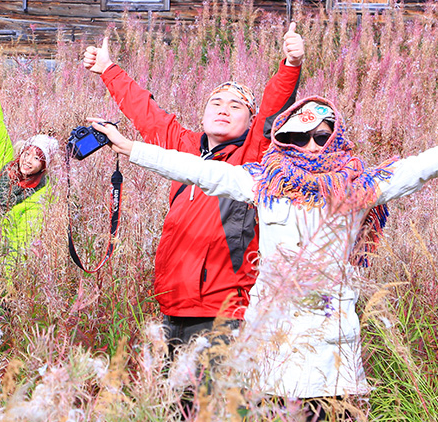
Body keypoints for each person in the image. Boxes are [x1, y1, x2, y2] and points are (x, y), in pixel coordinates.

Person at [92, 93, 438, 416]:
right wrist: (131, 148)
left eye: (322, 135)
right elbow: (194, 170)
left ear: (337, 136)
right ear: (283, 141)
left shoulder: (358, 190)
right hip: (268, 352)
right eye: (298, 137)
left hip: (332, 357)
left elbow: (425, 165)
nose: (311, 146)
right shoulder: (261, 184)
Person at [82, 24, 304, 355]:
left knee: (213, 403)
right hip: (172, 303)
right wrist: (108, 69)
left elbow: (273, 109)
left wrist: (291, 65)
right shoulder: (183, 146)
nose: (224, 109)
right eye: (216, 103)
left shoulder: (254, 155)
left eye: (235, 106)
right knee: (175, 403)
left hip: (224, 310)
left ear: (250, 119)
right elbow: (147, 114)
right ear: (203, 114)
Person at [0, 77, 59, 271]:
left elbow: (21, 243)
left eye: (37, 158)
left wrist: (6, 280)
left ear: (44, 166)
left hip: (5, 264)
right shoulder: (6, 165)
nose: (28, 160)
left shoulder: (41, 195)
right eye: (27, 153)